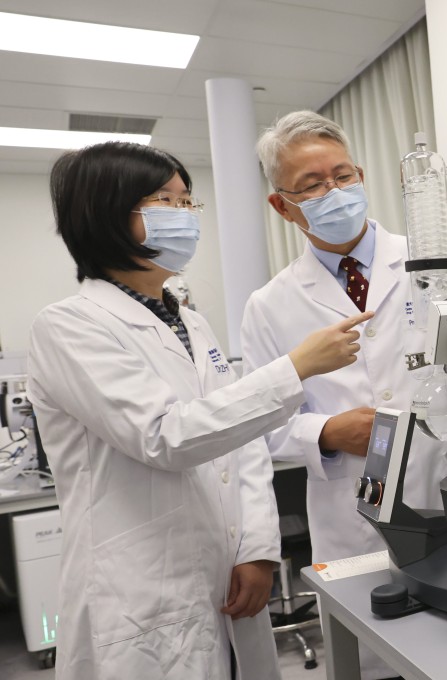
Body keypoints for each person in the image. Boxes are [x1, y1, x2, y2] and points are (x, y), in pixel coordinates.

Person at [27, 141, 373, 680]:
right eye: (163, 200)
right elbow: (167, 438)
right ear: (104, 214)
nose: (184, 216)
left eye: (187, 201)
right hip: (141, 588)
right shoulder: (70, 325)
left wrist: (257, 549)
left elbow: (245, 443)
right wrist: (295, 368)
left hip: (227, 572)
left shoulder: (191, 323)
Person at [241, 111, 447, 679]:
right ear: (282, 206)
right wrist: (327, 432)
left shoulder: (437, 262)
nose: (333, 192)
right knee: (377, 658)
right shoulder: (269, 305)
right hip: (350, 515)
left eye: (342, 175)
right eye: (311, 185)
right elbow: (256, 426)